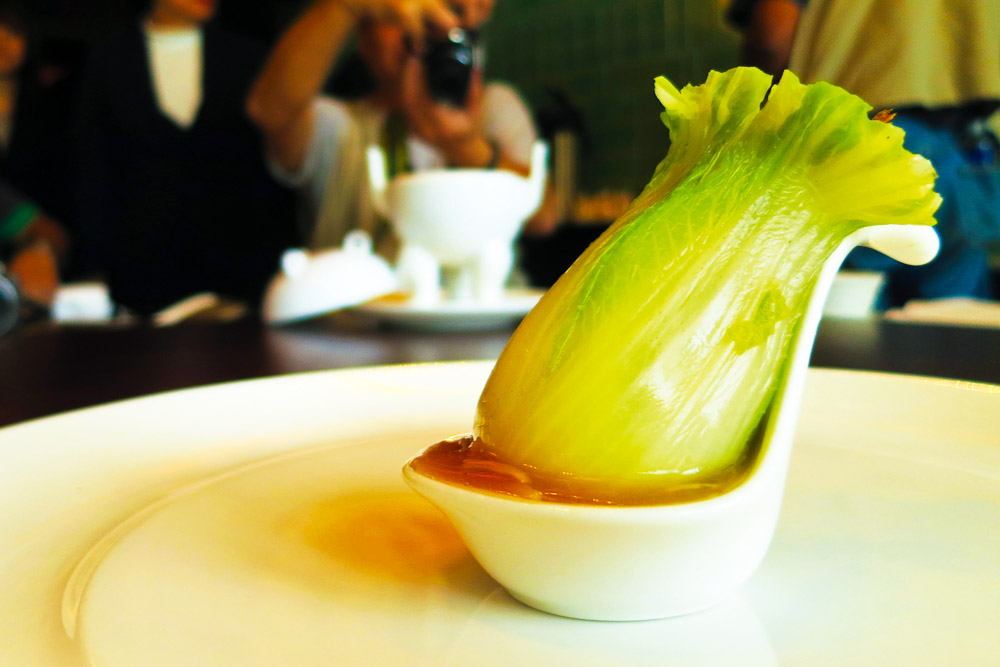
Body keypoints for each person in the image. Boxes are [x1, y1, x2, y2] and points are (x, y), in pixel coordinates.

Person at [728, 0, 1000, 307]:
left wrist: (753, 113)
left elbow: (773, 32)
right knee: (954, 329)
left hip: (857, 137)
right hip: (967, 151)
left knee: (842, 326)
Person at [246, 0, 538, 255]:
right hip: (357, 318)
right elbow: (269, 110)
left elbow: (544, 216)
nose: (415, 30)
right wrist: (347, 4)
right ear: (364, 42)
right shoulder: (341, 126)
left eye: (433, 16)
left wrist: (463, 145)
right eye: (393, 16)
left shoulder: (494, 107)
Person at [75, 0, 297, 316]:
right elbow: (92, 173)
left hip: (238, 276)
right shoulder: (108, 59)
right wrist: (93, 271)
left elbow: (270, 174)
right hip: (138, 279)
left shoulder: (246, 56)